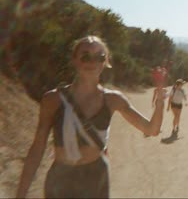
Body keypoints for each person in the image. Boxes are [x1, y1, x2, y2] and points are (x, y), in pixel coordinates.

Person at [16, 35, 165, 198]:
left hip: (96, 178)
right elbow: (37, 148)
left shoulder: (113, 99)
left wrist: (160, 101)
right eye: (85, 56)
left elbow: (151, 129)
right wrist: (21, 193)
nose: (92, 62)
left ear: (105, 62)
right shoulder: (53, 100)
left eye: (99, 57)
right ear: (74, 60)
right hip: (60, 180)